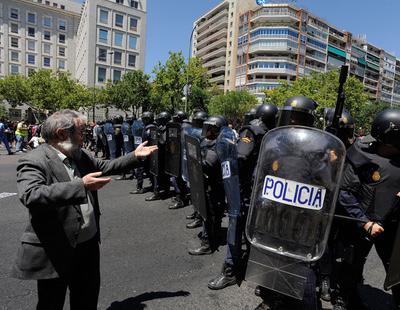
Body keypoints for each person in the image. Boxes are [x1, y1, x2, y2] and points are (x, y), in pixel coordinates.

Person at [11, 109, 157, 310]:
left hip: (87, 245)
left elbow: (106, 166)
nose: (85, 136)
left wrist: (135, 156)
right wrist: (81, 185)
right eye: (81, 131)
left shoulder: (79, 155)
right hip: (56, 249)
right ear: (62, 134)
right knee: (51, 303)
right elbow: (31, 195)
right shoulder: (35, 160)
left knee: (86, 300)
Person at [208, 104, 278, 290]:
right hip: (263, 191)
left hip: (245, 191)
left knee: (235, 229)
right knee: (255, 231)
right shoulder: (274, 134)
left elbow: (240, 157)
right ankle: (259, 273)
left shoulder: (251, 131)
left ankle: (230, 271)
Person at [335, 108, 400, 310]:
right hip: (361, 223)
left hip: (391, 225)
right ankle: (345, 301)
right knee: (351, 267)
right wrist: (365, 222)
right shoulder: (360, 154)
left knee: (396, 270)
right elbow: (344, 192)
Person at [188, 115, 227, 255]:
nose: (207, 131)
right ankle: (214, 236)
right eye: (207, 128)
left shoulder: (220, 144)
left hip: (215, 185)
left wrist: (197, 160)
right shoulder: (206, 141)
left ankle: (207, 244)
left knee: (209, 215)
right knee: (211, 214)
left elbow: (209, 163)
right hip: (206, 183)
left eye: (210, 129)